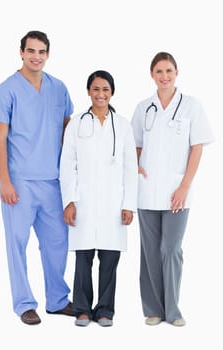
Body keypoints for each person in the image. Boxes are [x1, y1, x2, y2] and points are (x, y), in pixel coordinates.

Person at [0, 30, 75, 325]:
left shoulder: (59, 88)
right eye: (31, 51)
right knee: (17, 243)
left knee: (58, 242)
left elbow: (68, 130)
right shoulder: (5, 91)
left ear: (48, 54)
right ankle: (24, 303)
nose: (36, 56)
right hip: (20, 181)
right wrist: (5, 180)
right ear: (21, 53)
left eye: (41, 51)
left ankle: (57, 300)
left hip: (52, 181)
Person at [131, 52, 214, 327]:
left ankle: (173, 309)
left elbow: (197, 146)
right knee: (150, 251)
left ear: (176, 72)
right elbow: (136, 143)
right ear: (152, 75)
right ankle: (153, 309)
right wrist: (136, 165)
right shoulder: (144, 107)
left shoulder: (191, 106)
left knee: (171, 249)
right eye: (158, 71)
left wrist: (184, 185)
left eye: (169, 70)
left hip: (178, 191)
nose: (164, 76)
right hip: (147, 192)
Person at [60, 70, 138, 327]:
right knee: (83, 257)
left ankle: (105, 310)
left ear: (112, 92)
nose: (100, 94)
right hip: (84, 201)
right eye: (95, 89)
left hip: (114, 203)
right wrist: (69, 200)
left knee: (110, 259)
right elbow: (67, 164)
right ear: (88, 92)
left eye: (105, 89)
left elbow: (130, 167)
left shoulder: (123, 125)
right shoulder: (77, 123)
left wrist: (128, 205)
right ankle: (82, 308)